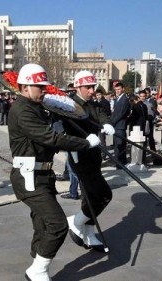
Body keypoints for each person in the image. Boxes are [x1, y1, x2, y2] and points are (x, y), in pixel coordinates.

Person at [8, 63, 101, 280]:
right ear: (24, 87)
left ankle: (37, 261)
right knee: (57, 224)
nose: (43, 90)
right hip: (28, 177)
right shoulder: (21, 110)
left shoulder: (38, 107)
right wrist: (84, 143)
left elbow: (52, 138)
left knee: (42, 224)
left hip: (42, 175)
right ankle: (37, 270)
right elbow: (49, 138)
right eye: (39, 86)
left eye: (44, 86)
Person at [61, 70, 115, 252]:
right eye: (87, 87)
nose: (92, 90)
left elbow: (101, 114)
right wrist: (83, 141)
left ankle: (90, 233)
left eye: (93, 86)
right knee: (103, 194)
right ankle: (75, 221)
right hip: (80, 155)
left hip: (94, 155)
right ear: (77, 86)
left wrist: (107, 123)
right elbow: (64, 131)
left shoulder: (92, 104)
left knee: (91, 196)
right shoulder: (69, 104)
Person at [110, 82, 131, 169]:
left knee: (120, 146)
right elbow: (114, 113)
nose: (117, 91)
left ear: (123, 89)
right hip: (116, 126)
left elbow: (121, 113)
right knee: (116, 146)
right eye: (116, 90)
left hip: (120, 126)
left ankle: (121, 164)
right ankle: (118, 162)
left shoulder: (124, 99)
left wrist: (111, 122)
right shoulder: (117, 99)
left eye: (119, 89)